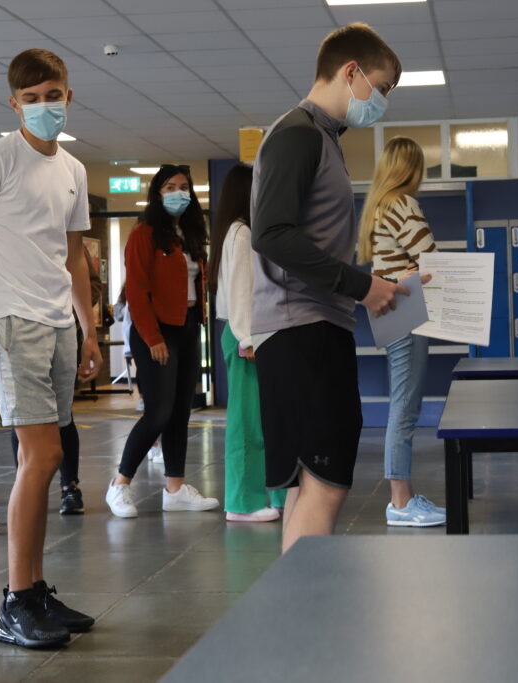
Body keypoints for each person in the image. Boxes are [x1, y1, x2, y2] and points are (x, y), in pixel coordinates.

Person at [0, 49, 99, 648]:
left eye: (52, 95)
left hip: (59, 323)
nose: (43, 105)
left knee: (48, 459)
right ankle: (15, 601)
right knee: (41, 456)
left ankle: (34, 590)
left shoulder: (73, 169)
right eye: (31, 98)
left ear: (68, 96)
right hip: (11, 320)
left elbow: (74, 256)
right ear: (14, 104)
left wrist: (88, 329)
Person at [251, 23, 411, 552]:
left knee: (309, 488)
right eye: (381, 87)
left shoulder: (321, 137)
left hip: (313, 327)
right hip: (301, 330)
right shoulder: (297, 133)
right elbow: (271, 234)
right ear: (351, 71)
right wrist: (361, 286)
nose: (381, 100)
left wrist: (376, 284)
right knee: (325, 485)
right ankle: (305, 605)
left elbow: (310, 240)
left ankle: (295, 603)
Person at [105, 164, 216, 518]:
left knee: (181, 412)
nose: (178, 193)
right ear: (157, 193)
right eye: (170, 187)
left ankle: (175, 489)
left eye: (184, 187)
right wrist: (153, 337)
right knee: (158, 413)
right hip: (155, 331)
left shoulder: (191, 234)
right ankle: (119, 484)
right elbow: (136, 291)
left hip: (188, 327)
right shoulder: (144, 234)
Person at [356, 137, 445, 527]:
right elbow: (432, 258)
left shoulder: (377, 206)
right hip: (408, 310)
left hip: (390, 312)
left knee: (401, 403)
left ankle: (403, 496)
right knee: (405, 407)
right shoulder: (403, 203)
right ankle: (400, 501)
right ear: (413, 168)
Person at [212, 164, 286, 523]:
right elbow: (241, 291)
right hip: (245, 334)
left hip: (248, 332)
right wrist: (248, 339)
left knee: (261, 421)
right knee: (247, 423)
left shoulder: (238, 231)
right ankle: (242, 503)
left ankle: (269, 494)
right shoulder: (241, 234)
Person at [8, 244, 103, 516]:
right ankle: (26, 483)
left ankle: (69, 486)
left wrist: (70, 310)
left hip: (63, 328)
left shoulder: (69, 240)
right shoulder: (15, 238)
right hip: (22, 328)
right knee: (22, 416)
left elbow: (92, 284)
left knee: (64, 415)